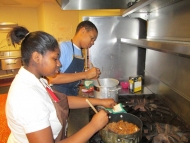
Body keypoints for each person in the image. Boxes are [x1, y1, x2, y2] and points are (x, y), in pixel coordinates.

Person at [5, 26, 116, 143]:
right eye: (55, 58)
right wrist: (93, 126)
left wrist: (101, 102)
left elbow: (62, 100)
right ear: (37, 57)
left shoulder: (38, 80)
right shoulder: (28, 97)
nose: (59, 64)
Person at [49, 20, 100, 96]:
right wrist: (85, 74)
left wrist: (89, 79)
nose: (93, 43)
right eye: (92, 38)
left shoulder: (80, 53)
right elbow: (52, 78)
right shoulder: (64, 47)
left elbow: (74, 78)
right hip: (59, 97)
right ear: (83, 31)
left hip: (72, 95)